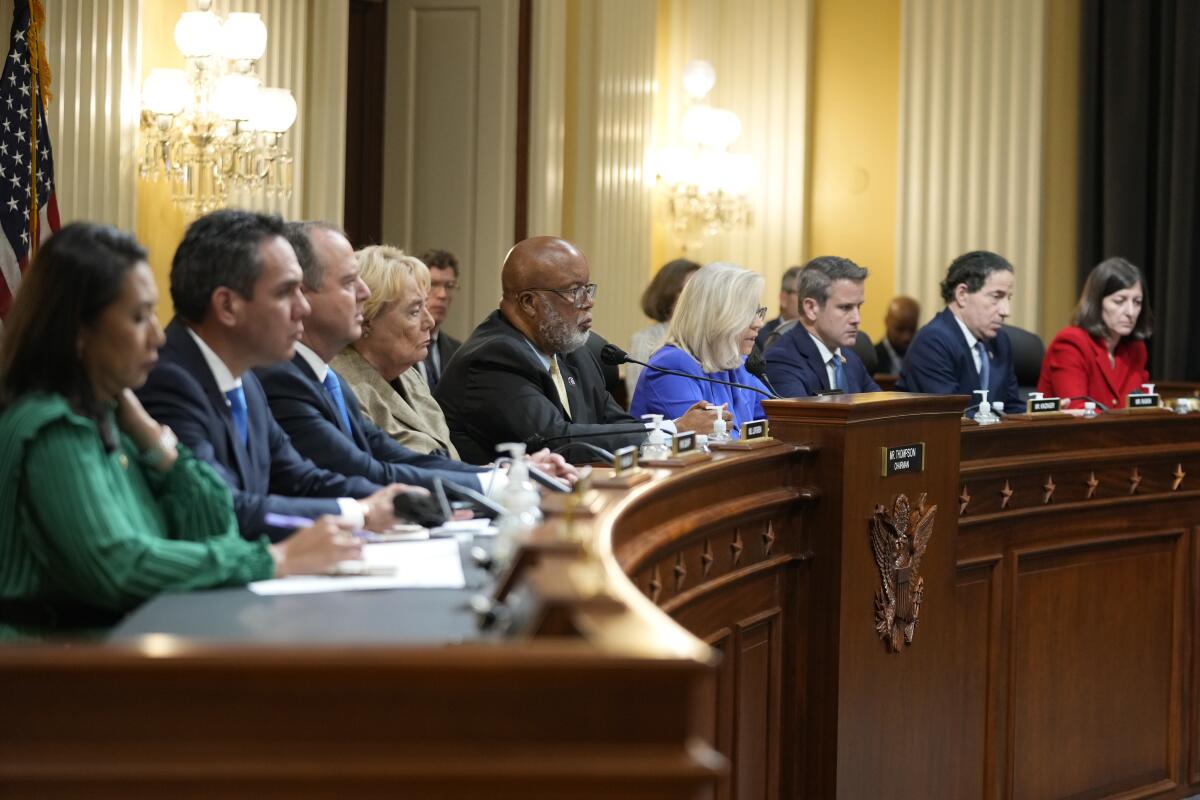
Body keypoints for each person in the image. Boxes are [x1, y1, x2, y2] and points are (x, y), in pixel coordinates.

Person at [0, 223, 358, 634]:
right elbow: (118, 566)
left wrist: (157, 443)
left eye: (154, 313)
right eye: (138, 317)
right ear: (79, 331)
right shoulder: (52, 427)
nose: (157, 336)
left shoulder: (117, 419)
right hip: (47, 673)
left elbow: (212, 524)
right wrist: (274, 560)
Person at [137, 209, 415, 541]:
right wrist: (360, 512)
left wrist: (393, 501)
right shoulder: (169, 380)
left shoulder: (248, 382)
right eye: (286, 292)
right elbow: (226, 508)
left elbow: (301, 479)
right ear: (227, 306)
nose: (303, 307)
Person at [255, 223, 501, 493]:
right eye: (349, 282)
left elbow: (395, 456)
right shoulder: (284, 377)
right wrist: (492, 484)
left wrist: (496, 479)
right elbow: (361, 470)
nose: (364, 293)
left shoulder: (330, 379)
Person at [435, 236, 721, 464]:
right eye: (574, 291)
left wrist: (671, 430)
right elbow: (555, 441)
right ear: (528, 303)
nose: (588, 302)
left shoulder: (576, 350)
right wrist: (673, 430)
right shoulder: (492, 359)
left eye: (588, 288)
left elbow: (614, 422)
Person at [630, 262, 769, 433]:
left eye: (758, 311)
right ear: (715, 316)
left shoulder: (737, 362)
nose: (759, 323)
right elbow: (714, 442)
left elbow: (779, 420)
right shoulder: (672, 366)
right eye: (747, 313)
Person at [897, 250, 1023, 414]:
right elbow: (950, 418)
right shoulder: (932, 342)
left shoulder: (1000, 342)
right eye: (996, 296)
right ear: (962, 294)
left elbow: (1012, 407)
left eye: (1008, 298)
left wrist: (1049, 414)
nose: (1006, 310)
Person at [1037, 257, 1151, 409]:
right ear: (1097, 303)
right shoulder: (1071, 343)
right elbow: (1077, 411)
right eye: (1119, 301)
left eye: (1137, 302)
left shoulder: (1135, 348)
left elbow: (1142, 406)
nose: (1130, 312)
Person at [764, 257, 881, 397]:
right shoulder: (781, 359)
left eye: (858, 306)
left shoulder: (851, 359)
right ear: (811, 308)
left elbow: (883, 412)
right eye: (845, 307)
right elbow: (802, 418)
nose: (857, 319)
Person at [626, 258, 701, 399]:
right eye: (690, 291)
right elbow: (639, 395)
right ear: (668, 294)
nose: (699, 299)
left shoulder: (704, 339)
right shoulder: (645, 339)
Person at [415, 248, 462, 391]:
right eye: (433, 284)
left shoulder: (459, 352)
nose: (442, 295)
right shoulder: (396, 347)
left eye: (449, 286)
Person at [755, 265, 803, 352]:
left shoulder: (818, 336)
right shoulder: (762, 338)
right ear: (783, 298)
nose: (807, 301)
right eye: (801, 293)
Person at [875, 296, 920, 375]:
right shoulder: (871, 359)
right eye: (900, 329)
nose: (906, 337)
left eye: (912, 329)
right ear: (887, 321)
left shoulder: (923, 358)